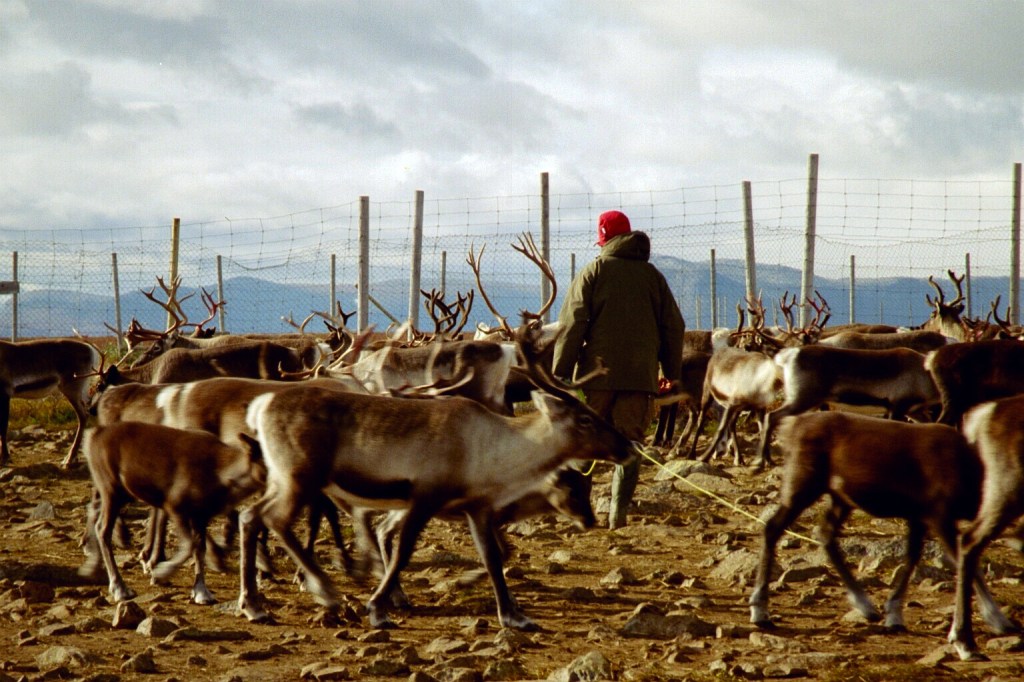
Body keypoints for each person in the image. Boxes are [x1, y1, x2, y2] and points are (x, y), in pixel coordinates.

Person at [552, 210, 685, 529]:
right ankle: (618, 515)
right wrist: (671, 370)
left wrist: (561, 374)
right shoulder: (653, 276)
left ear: (604, 239)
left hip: (597, 377)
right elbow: (673, 326)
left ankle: (578, 512)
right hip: (640, 377)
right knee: (630, 444)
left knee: (585, 439)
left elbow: (573, 324)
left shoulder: (593, 271)